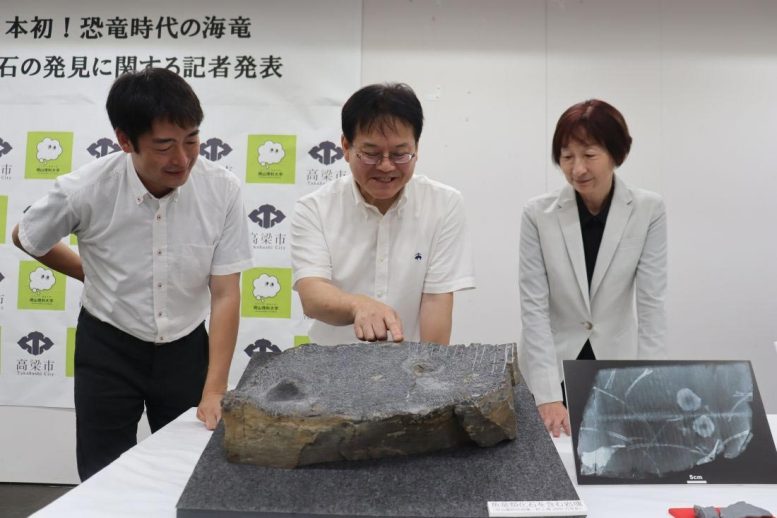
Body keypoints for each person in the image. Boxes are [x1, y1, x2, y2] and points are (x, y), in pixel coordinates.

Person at [11, 68, 252, 480]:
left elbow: (226, 293)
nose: (182, 159)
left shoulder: (221, 189)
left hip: (186, 347)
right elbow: (26, 236)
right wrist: (91, 274)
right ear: (125, 141)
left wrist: (215, 389)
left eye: (191, 140)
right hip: (108, 346)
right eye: (164, 146)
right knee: (101, 472)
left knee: (190, 473)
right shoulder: (85, 189)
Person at [518, 99, 667, 437]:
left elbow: (652, 305)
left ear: (616, 153)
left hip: (615, 369)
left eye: (589, 155)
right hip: (551, 368)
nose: (578, 169)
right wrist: (547, 395)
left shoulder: (648, 210)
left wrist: (652, 384)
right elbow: (533, 308)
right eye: (567, 157)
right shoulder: (537, 215)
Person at [291, 83, 475, 346]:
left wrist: (430, 369)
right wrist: (358, 305)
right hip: (330, 364)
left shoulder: (444, 205)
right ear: (345, 147)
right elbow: (312, 295)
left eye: (400, 154)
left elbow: (436, 302)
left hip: (410, 364)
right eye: (371, 154)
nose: (386, 166)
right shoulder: (315, 209)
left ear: (416, 148)